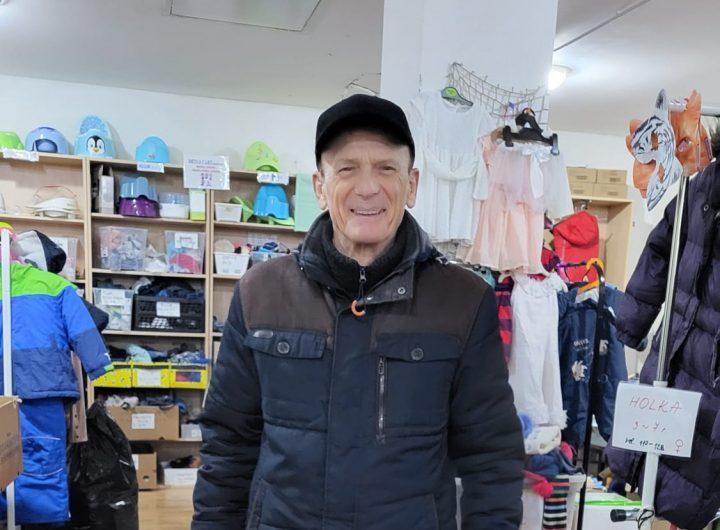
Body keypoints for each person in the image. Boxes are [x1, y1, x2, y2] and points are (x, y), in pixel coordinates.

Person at [192, 94, 524, 529]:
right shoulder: (261, 292)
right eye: (347, 169)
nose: (368, 187)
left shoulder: (462, 300)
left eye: (386, 168)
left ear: (412, 184)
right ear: (320, 186)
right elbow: (227, 447)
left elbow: (491, 456)